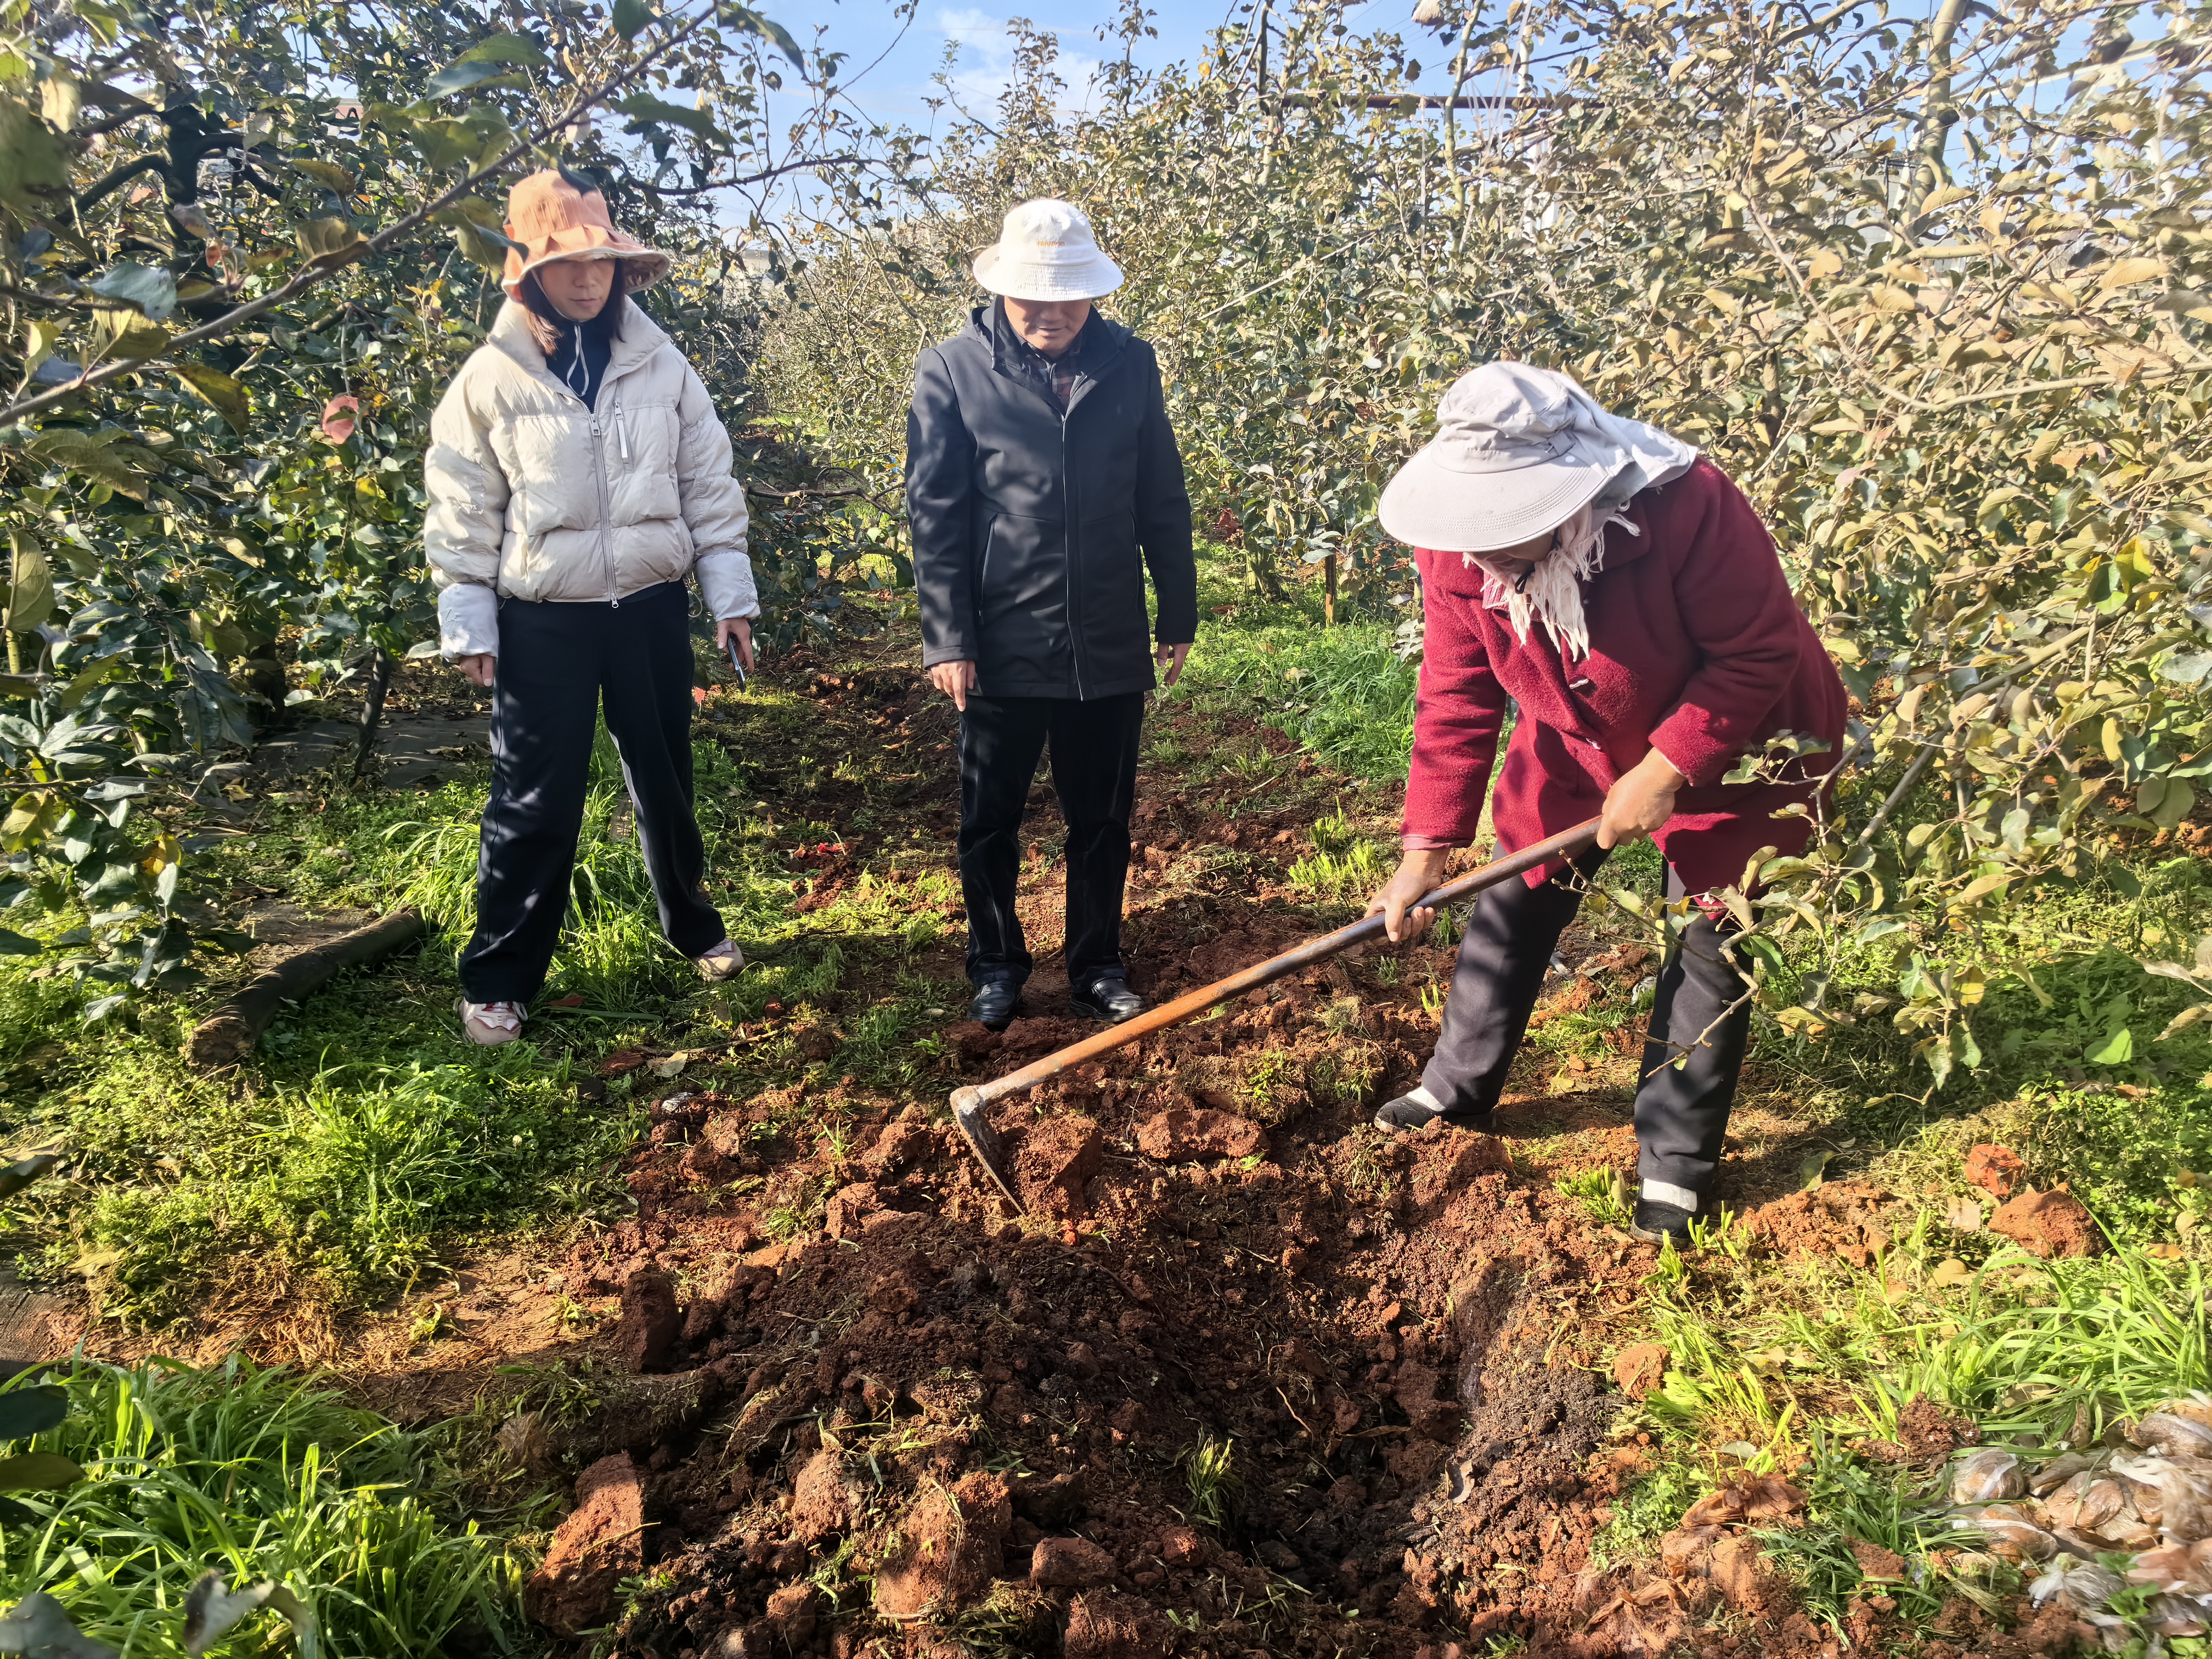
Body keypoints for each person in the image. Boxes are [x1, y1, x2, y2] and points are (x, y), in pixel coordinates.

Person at [1364, 362, 1847, 1244]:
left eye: (1509, 528)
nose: (1489, 552)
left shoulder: (1684, 504)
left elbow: (1758, 649)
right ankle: (1455, 1086)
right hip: (1573, 734)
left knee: (1711, 935)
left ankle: (1673, 1165)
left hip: (1745, 738)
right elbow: (1457, 692)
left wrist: (1667, 769)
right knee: (1515, 895)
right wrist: (1425, 850)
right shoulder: (1453, 542)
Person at [424, 170, 759, 1047]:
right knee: (534, 797)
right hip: (545, 619)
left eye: (601, 264)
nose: (586, 280)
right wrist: (471, 621)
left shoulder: (662, 363)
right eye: (568, 266)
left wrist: (730, 596)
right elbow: (462, 508)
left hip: (648, 607)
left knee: (665, 777)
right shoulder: (491, 378)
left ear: (619, 270)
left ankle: (693, 926)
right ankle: (499, 977)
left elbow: (707, 482)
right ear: (528, 274)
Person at [906, 199, 1198, 1033]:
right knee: (989, 817)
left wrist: (1176, 607)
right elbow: (935, 513)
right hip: (1000, 638)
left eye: (1067, 295)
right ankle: (996, 965)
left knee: (1102, 818)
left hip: (1105, 634)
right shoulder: (953, 370)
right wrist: (949, 637)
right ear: (1003, 289)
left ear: (1093, 294)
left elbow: (1161, 494)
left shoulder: (1131, 366)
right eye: (1033, 295)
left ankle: (1097, 964)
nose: (1050, 312)